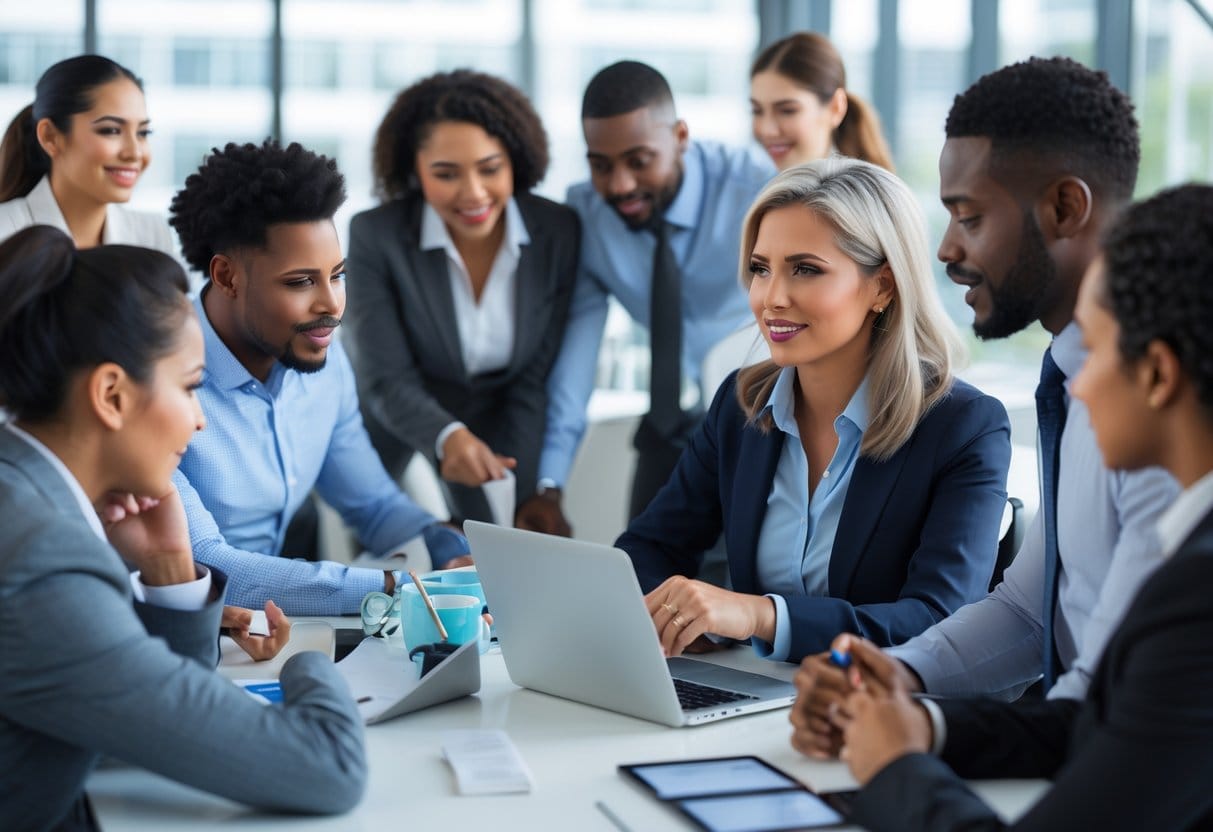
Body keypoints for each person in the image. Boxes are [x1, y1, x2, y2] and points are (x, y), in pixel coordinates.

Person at [789, 57, 1178, 758]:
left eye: (968, 217)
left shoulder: (1160, 420)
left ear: (1064, 208)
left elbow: (1105, 704)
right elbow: (1030, 613)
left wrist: (918, 734)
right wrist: (897, 675)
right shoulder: (1070, 376)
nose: (944, 250)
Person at [830, 184, 1213, 831]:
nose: (1077, 385)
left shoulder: (1197, 593)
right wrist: (918, 720)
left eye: (1091, 350)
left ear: (1156, 374)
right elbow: (1098, 727)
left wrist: (895, 768)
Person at [0, 226, 365, 831]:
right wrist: (313, 659)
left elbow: (152, 728)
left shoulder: (28, 496)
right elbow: (328, 768)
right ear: (112, 394)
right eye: (191, 386)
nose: (198, 421)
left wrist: (171, 571)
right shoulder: (42, 562)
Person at [617, 158, 1010, 664]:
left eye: (805, 269)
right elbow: (647, 549)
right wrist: (676, 618)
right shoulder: (741, 407)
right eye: (761, 269)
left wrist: (762, 616)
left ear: (882, 287)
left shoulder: (963, 427)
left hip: (878, 710)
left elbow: (938, 619)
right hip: (754, 694)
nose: (772, 298)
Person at [167, 139, 470, 616]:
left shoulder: (322, 361)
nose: (331, 304)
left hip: (266, 632)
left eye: (338, 274)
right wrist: (397, 586)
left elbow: (372, 505)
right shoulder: (159, 375)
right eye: (301, 282)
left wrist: (448, 549)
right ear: (226, 277)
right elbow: (207, 565)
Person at [526, 60, 773, 536]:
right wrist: (550, 483)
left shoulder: (754, 191)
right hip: (669, 427)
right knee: (639, 573)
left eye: (639, 161)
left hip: (764, 420)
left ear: (681, 136)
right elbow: (575, 360)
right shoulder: (588, 215)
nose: (619, 184)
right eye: (601, 165)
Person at [345, 69, 578, 526]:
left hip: (504, 413)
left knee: (502, 544)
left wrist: (523, 490)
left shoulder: (557, 231)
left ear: (515, 161)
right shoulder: (376, 235)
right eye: (446, 174)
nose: (473, 193)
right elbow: (386, 377)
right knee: (391, 554)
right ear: (415, 172)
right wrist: (445, 435)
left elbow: (532, 377)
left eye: (490, 169)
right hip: (397, 414)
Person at [0, 55, 174, 253]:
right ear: (51, 137)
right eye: (111, 130)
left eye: (143, 133)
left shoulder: (152, 235)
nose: (134, 153)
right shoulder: (5, 231)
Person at [750, 32, 894, 172]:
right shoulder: (754, 184)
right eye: (757, 110)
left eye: (788, 111)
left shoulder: (855, 194)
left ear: (836, 108)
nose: (767, 130)